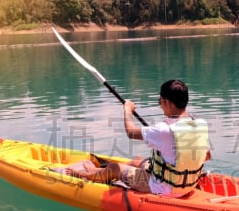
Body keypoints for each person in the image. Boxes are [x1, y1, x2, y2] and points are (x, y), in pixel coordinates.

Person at [71, 79, 210, 196]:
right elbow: (206, 155)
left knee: (115, 168)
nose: (160, 106)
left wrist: (127, 110)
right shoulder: (199, 123)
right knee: (138, 160)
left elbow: (131, 132)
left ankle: (89, 175)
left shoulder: (164, 129)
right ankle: (99, 171)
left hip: (165, 188)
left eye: (160, 101)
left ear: (168, 102)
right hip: (188, 183)